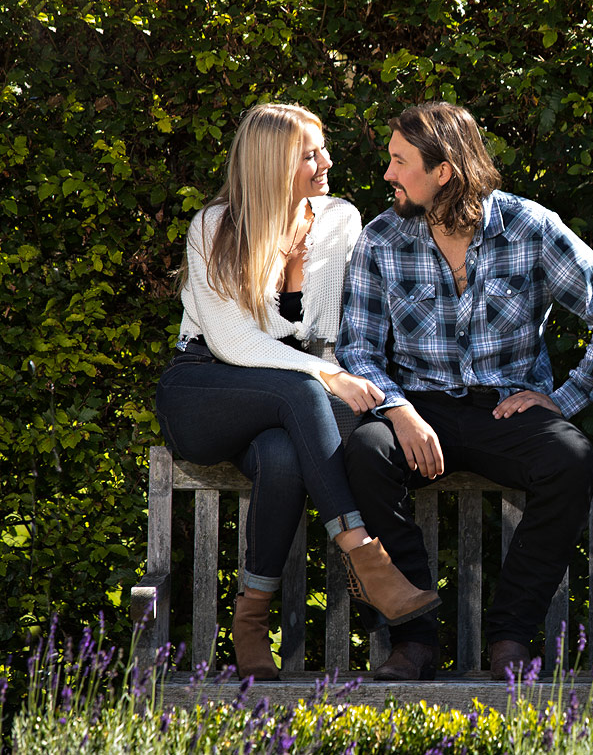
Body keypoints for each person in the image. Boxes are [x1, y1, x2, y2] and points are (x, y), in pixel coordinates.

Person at [337, 101, 593, 681]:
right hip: (419, 410)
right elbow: (357, 350)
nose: (387, 175)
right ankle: (415, 637)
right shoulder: (381, 239)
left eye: (400, 162)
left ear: (444, 172)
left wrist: (565, 398)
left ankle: (510, 635)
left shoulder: (529, 227)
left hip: (505, 409)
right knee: (366, 451)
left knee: (570, 457)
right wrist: (398, 409)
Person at [154, 103, 440, 681]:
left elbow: (327, 336)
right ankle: (366, 557)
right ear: (272, 163)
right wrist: (325, 374)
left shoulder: (339, 220)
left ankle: (251, 618)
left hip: (286, 397)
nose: (326, 162)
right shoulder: (215, 227)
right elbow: (234, 339)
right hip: (204, 386)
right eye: (310, 154)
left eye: (322, 148)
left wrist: (294, 285)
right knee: (305, 390)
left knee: (285, 455)